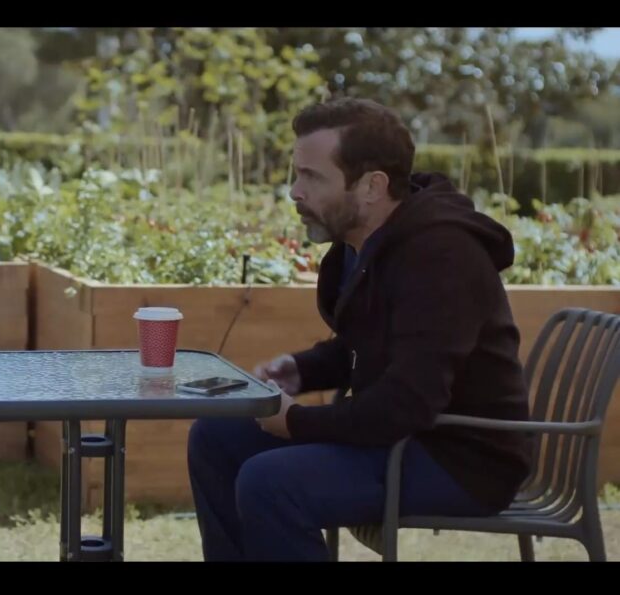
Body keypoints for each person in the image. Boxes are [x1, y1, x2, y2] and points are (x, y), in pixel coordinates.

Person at [187, 97, 532, 561]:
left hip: (460, 458)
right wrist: (303, 370)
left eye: (312, 177)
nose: (294, 192)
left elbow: (408, 401)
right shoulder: (368, 243)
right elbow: (370, 344)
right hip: (403, 436)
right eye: (296, 174)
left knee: (270, 483)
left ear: (372, 186)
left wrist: (296, 422)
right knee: (215, 437)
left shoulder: (441, 256)